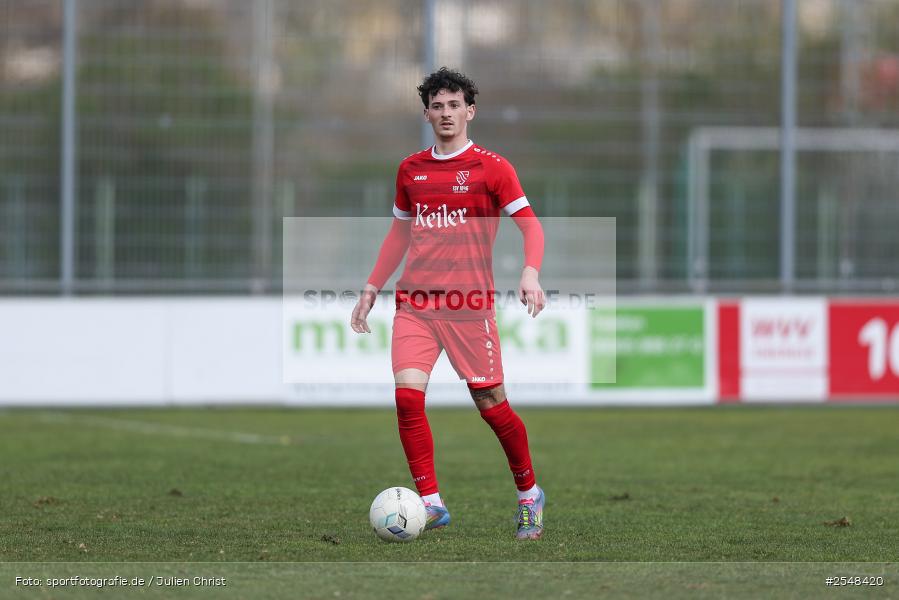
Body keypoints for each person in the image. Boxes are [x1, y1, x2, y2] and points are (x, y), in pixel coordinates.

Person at [351, 67, 547, 540]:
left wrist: (530, 272)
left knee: (491, 404)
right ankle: (432, 503)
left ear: (470, 111)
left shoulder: (493, 168)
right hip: (415, 305)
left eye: (454, 105)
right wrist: (372, 287)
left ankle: (529, 494)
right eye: (437, 106)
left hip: (468, 307)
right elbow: (398, 235)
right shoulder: (410, 170)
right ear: (426, 114)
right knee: (406, 397)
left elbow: (531, 226)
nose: (445, 113)